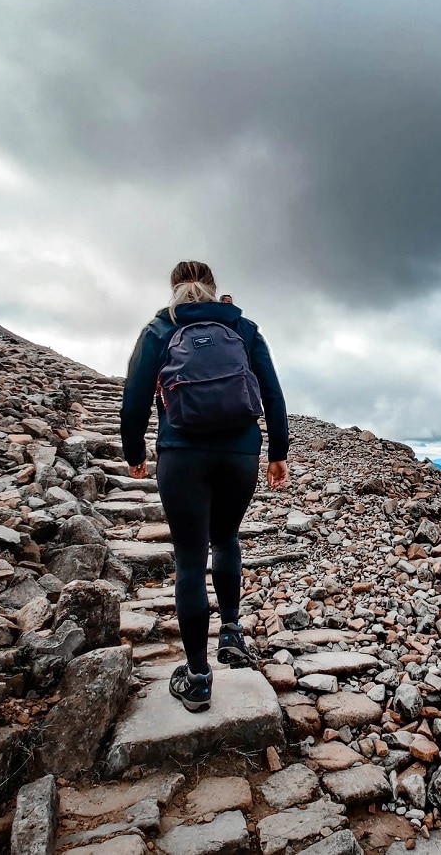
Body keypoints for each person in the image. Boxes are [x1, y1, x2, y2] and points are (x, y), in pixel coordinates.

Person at [120, 261, 289, 712]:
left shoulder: (160, 329)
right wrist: (277, 453)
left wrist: (134, 452)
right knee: (227, 538)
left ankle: (197, 679)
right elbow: (272, 392)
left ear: (173, 289)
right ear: (214, 290)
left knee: (190, 559)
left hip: (181, 454)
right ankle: (232, 632)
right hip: (239, 454)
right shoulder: (244, 328)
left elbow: (134, 396)